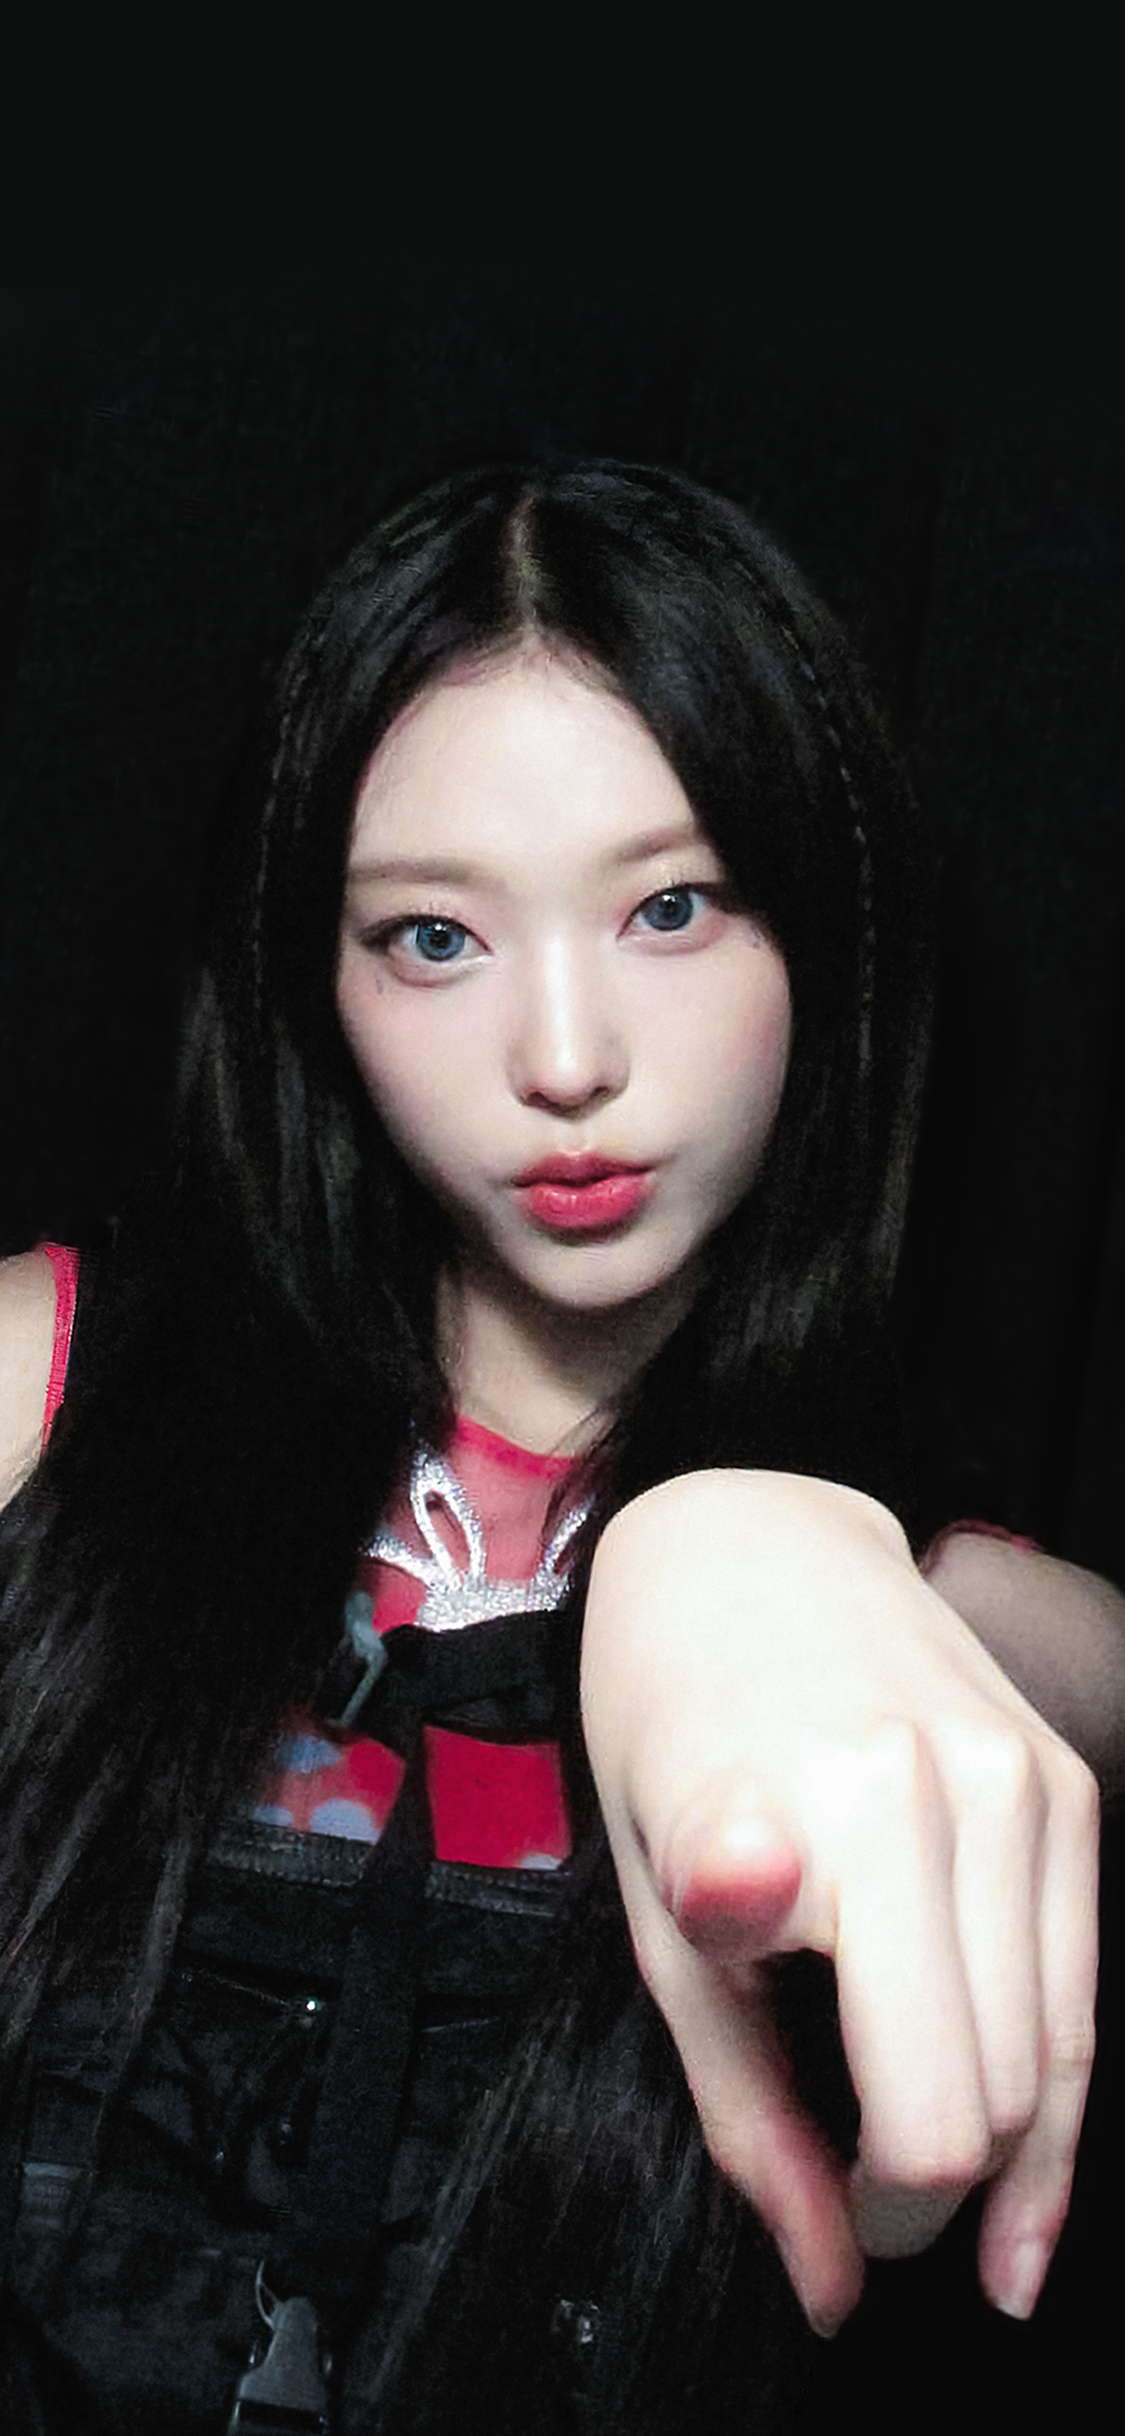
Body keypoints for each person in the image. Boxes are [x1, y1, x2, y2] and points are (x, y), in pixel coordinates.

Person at [0, 461, 1117, 2433]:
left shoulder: (969, 1624)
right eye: (433, 937)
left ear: (826, 930)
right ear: (313, 980)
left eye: (670, 907)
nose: (565, 1058)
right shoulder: (46, 1382)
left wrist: (750, 1542)